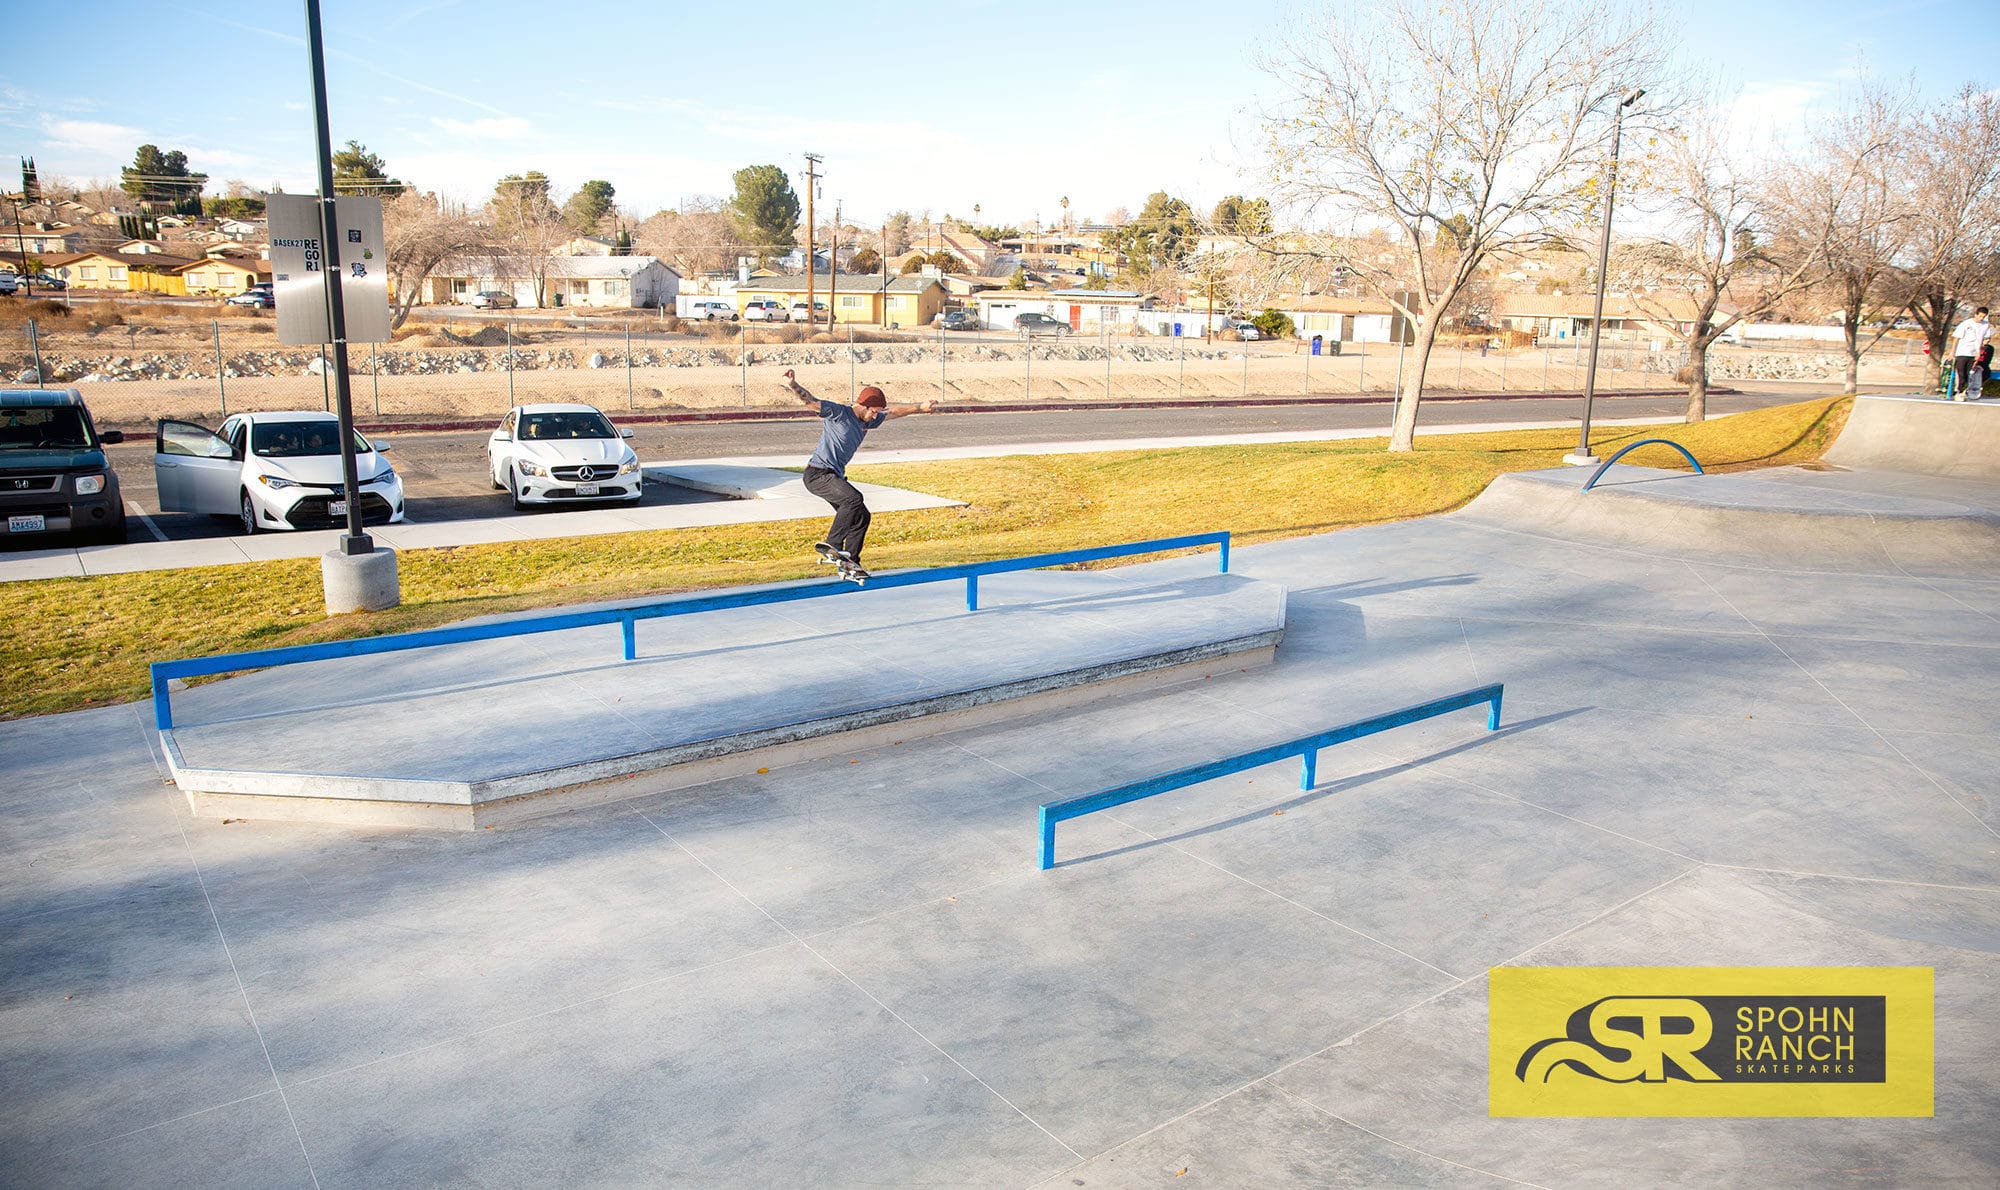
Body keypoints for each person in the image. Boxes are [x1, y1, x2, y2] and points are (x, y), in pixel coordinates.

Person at [784, 368, 935, 579]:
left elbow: (894, 413)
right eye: (873, 411)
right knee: (854, 499)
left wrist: (919, 407)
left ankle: (851, 563)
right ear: (862, 405)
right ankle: (833, 544)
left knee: (861, 516)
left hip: (833, 477)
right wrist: (793, 385)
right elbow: (811, 402)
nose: (875, 416)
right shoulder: (838, 413)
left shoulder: (868, 420)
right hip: (817, 474)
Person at [1949, 307, 1990, 400]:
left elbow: (1986, 338)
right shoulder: (1966, 324)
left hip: (1974, 353)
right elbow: (1956, 338)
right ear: (1975, 314)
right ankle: (1957, 391)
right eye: (1980, 316)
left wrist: (1981, 348)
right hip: (1962, 352)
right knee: (1960, 373)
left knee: (1970, 373)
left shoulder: (1985, 325)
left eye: (1983, 317)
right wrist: (1952, 352)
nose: (1981, 319)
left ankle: (1964, 391)